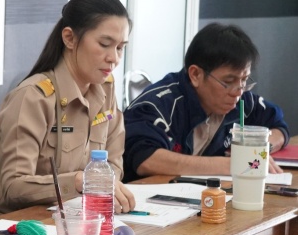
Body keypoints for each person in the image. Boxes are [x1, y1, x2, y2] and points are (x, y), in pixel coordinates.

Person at [0, 0, 137, 216]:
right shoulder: (33, 97)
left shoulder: (105, 90)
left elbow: (113, 165)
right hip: (7, 225)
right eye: (104, 44)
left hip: (71, 219)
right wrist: (79, 181)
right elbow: (14, 186)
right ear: (69, 38)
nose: (114, 58)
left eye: (120, 47)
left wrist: (102, 189)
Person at [123, 23, 289, 179]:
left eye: (244, 80)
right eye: (228, 81)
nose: (238, 92)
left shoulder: (241, 100)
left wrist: (260, 149)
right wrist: (229, 165)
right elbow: (145, 159)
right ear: (196, 75)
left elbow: (278, 126)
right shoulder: (159, 105)